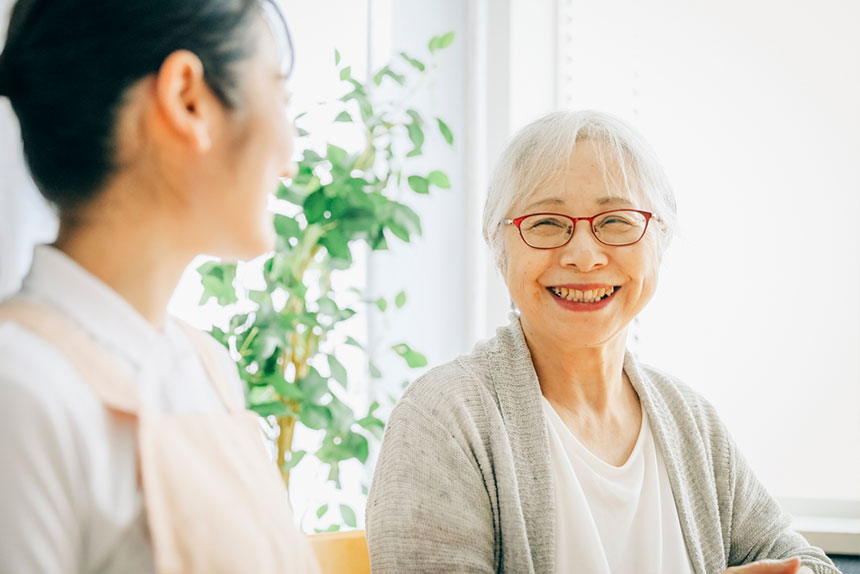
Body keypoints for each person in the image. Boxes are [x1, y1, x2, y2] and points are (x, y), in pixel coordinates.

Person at [366, 110, 840, 574]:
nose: (584, 256)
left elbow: (809, 564)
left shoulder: (691, 422)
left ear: (660, 239)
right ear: (498, 248)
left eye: (616, 221)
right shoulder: (445, 420)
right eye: (546, 223)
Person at [0, 0, 319, 572]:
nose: (291, 159)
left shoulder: (209, 367)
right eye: (282, 98)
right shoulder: (19, 389)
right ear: (187, 99)